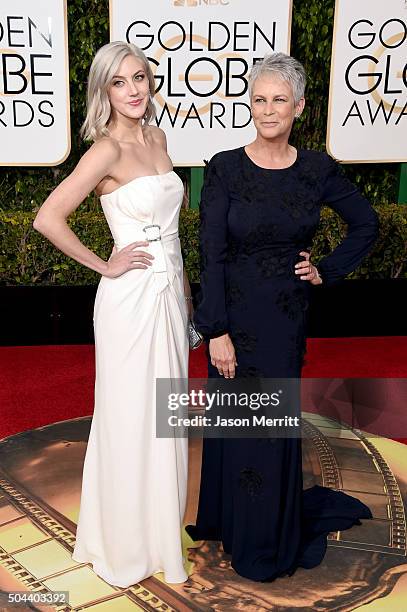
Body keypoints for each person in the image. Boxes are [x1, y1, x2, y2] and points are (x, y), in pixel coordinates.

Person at [186, 52, 378, 582]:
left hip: (285, 318)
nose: (267, 110)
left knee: (270, 429)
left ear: (298, 106)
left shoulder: (317, 169)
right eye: (258, 99)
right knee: (234, 423)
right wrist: (215, 330)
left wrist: (327, 270)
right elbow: (212, 254)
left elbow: (366, 223)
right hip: (234, 318)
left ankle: (266, 536)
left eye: (278, 100)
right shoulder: (224, 166)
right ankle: (229, 520)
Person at [33, 41, 192, 587]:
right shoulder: (103, 151)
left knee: (167, 420)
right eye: (119, 82)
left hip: (169, 297)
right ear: (104, 91)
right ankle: (123, 544)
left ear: (151, 82)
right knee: (129, 417)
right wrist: (104, 263)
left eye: (140, 77)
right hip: (128, 301)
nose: (133, 89)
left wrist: (189, 306)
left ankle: (158, 538)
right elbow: (48, 218)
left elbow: (173, 238)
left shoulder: (159, 137)